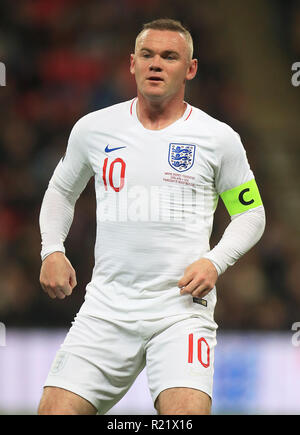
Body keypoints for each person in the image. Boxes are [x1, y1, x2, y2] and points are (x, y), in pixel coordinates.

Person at [37, 18, 265, 415]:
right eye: (148, 55)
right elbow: (60, 191)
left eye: (169, 56)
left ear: (190, 69)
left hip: (180, 312)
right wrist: (51, 249)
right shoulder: (94, 128)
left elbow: (251, 214)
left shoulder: (218, 138)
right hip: (106, 309)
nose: (156, 64)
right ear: (132, 64)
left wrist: (215, 261)